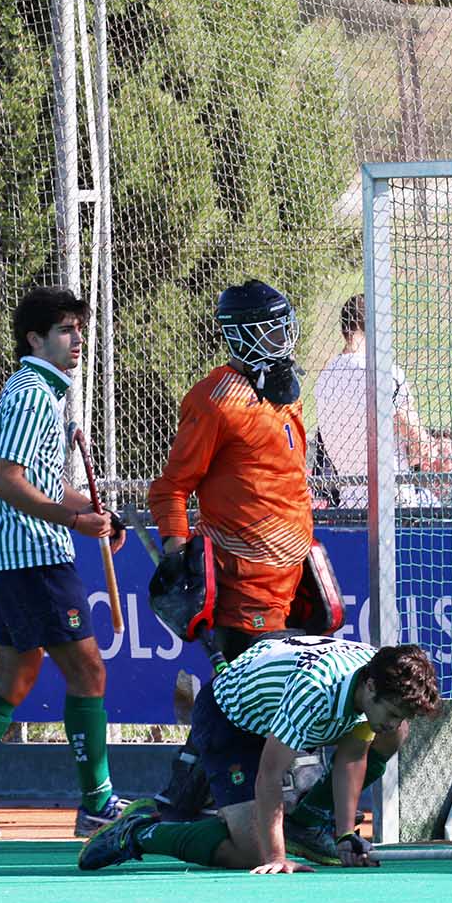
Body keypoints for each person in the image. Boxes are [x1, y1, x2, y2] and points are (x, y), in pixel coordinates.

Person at [145, 280, 341, 855]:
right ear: (244, 335)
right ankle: (201, 804)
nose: (286, 339)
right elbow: (171, 487)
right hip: (237, 579)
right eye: (274, 329)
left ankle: (177, 799)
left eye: (287, 326)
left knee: (243, 688)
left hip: (290, 577)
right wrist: (178, 548)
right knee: (253, 687)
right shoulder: (214, 399)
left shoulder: (286, 395)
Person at [0, 286, 130, 840]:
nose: (78, 339)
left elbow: (48, 485)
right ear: (35, 339)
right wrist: (74, 523)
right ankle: (98, 803)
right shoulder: (32, 392)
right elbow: (8, 482)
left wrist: (100, 514)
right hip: (33, 556)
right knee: (88, 670)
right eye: (65, 330)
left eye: (80, 328)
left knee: (14, 675)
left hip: (15, 555)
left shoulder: (41, 392)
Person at [79, 638, 441, 873]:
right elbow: (269, 774)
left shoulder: (373, 676)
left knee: (394, 736)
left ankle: (310, 823)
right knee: (252, 854)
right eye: (392, 712)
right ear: (371, 687)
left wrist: (345, 833)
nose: (394, 723)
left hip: (274, 706)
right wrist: (276, 857)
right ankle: (142, 831)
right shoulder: (315, 690)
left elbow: (352, 755)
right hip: (231, 720)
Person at [312, 294, 452, 509]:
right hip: (393, 500)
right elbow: (417, 440)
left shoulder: (324, 379)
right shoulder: (384, 373)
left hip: (350, 500)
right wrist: (426, 446)